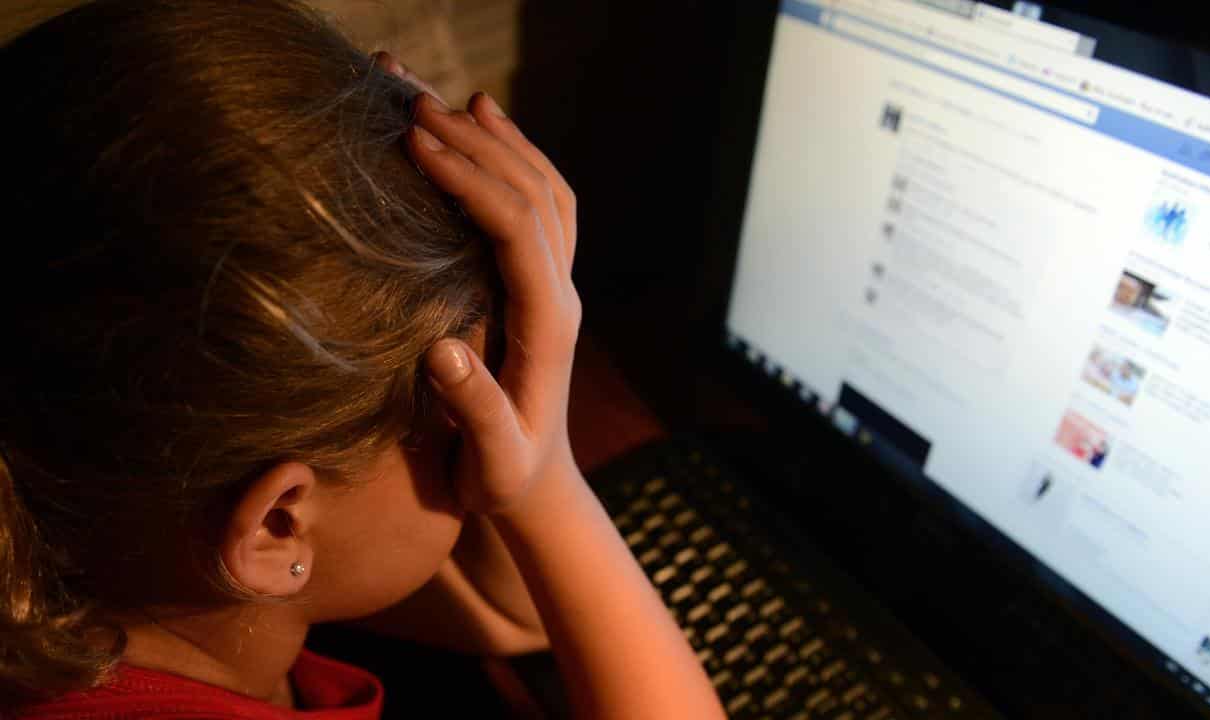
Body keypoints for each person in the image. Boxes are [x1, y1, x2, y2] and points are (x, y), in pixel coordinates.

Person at [0, 1, 725, 718]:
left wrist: (533, 481)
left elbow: (514, 616)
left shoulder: (100, 558)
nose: (497, 428)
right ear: (277, 524)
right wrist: (552, 480)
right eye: (461, 423)